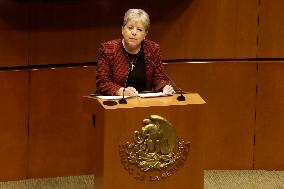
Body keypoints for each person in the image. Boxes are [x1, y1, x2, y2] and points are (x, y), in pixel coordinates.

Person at [96, 9, 175, 96]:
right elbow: (102, 82)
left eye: (139, 29)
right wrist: (120, 91)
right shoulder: (109, 49)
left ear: (145, 34)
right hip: (117, 103)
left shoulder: (152, 49)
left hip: (143, 103)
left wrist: (165, 87)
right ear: (122, 30)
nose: (134, 32)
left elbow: (159, 78)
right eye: (130, 28)